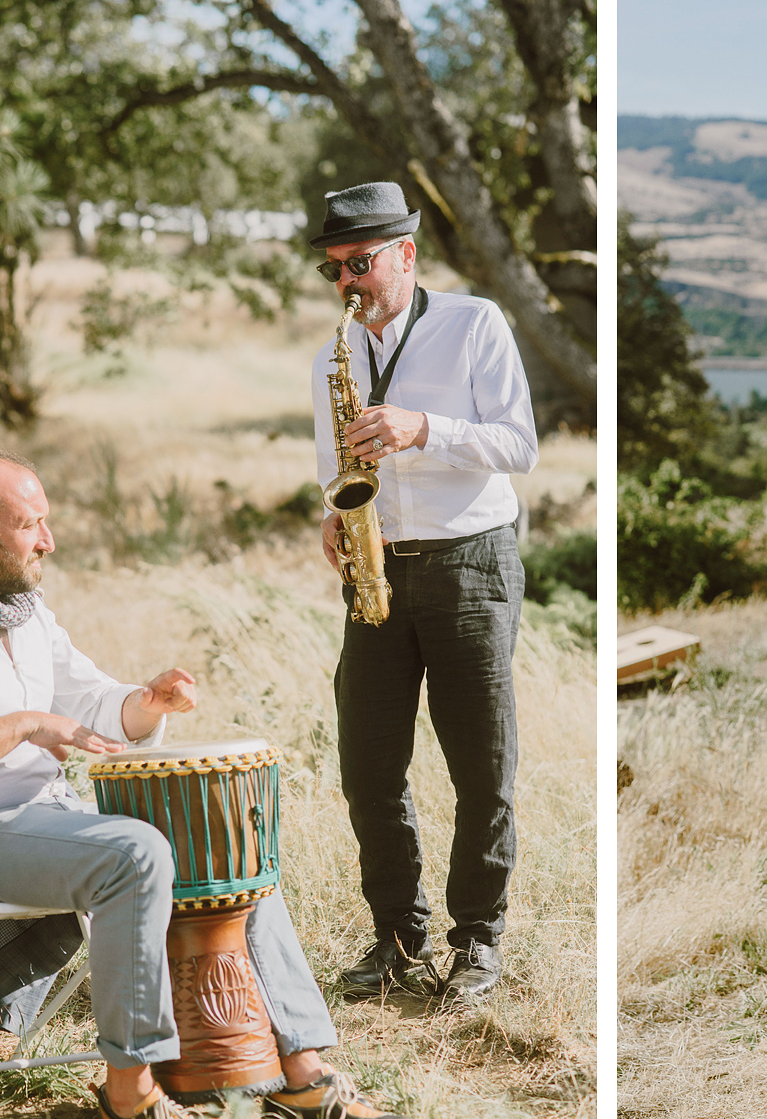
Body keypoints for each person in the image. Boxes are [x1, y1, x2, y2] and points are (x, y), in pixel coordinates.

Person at [0, 443, 419, 1119]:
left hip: (39, 823)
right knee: (136, 852)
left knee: (221, 833)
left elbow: (91, 699)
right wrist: (24, 724)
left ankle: (301, 1070)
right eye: (31, 524)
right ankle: (132, 1095)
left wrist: (145, 700)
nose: (49, 540)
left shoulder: (23, 613)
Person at [307, 182, 539, 1003]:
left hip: (470, 559)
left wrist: (423, 428)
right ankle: (396, 938)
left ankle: (477, 940)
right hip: (379, 570)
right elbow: (334, 468)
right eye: (334, 269)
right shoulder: (332, 355)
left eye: (359, 264)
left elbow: (520, 444)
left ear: (404, 255)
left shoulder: (473, 323)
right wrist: (331, 517)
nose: (347, 284)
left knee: (481, 763)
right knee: (369, 765)